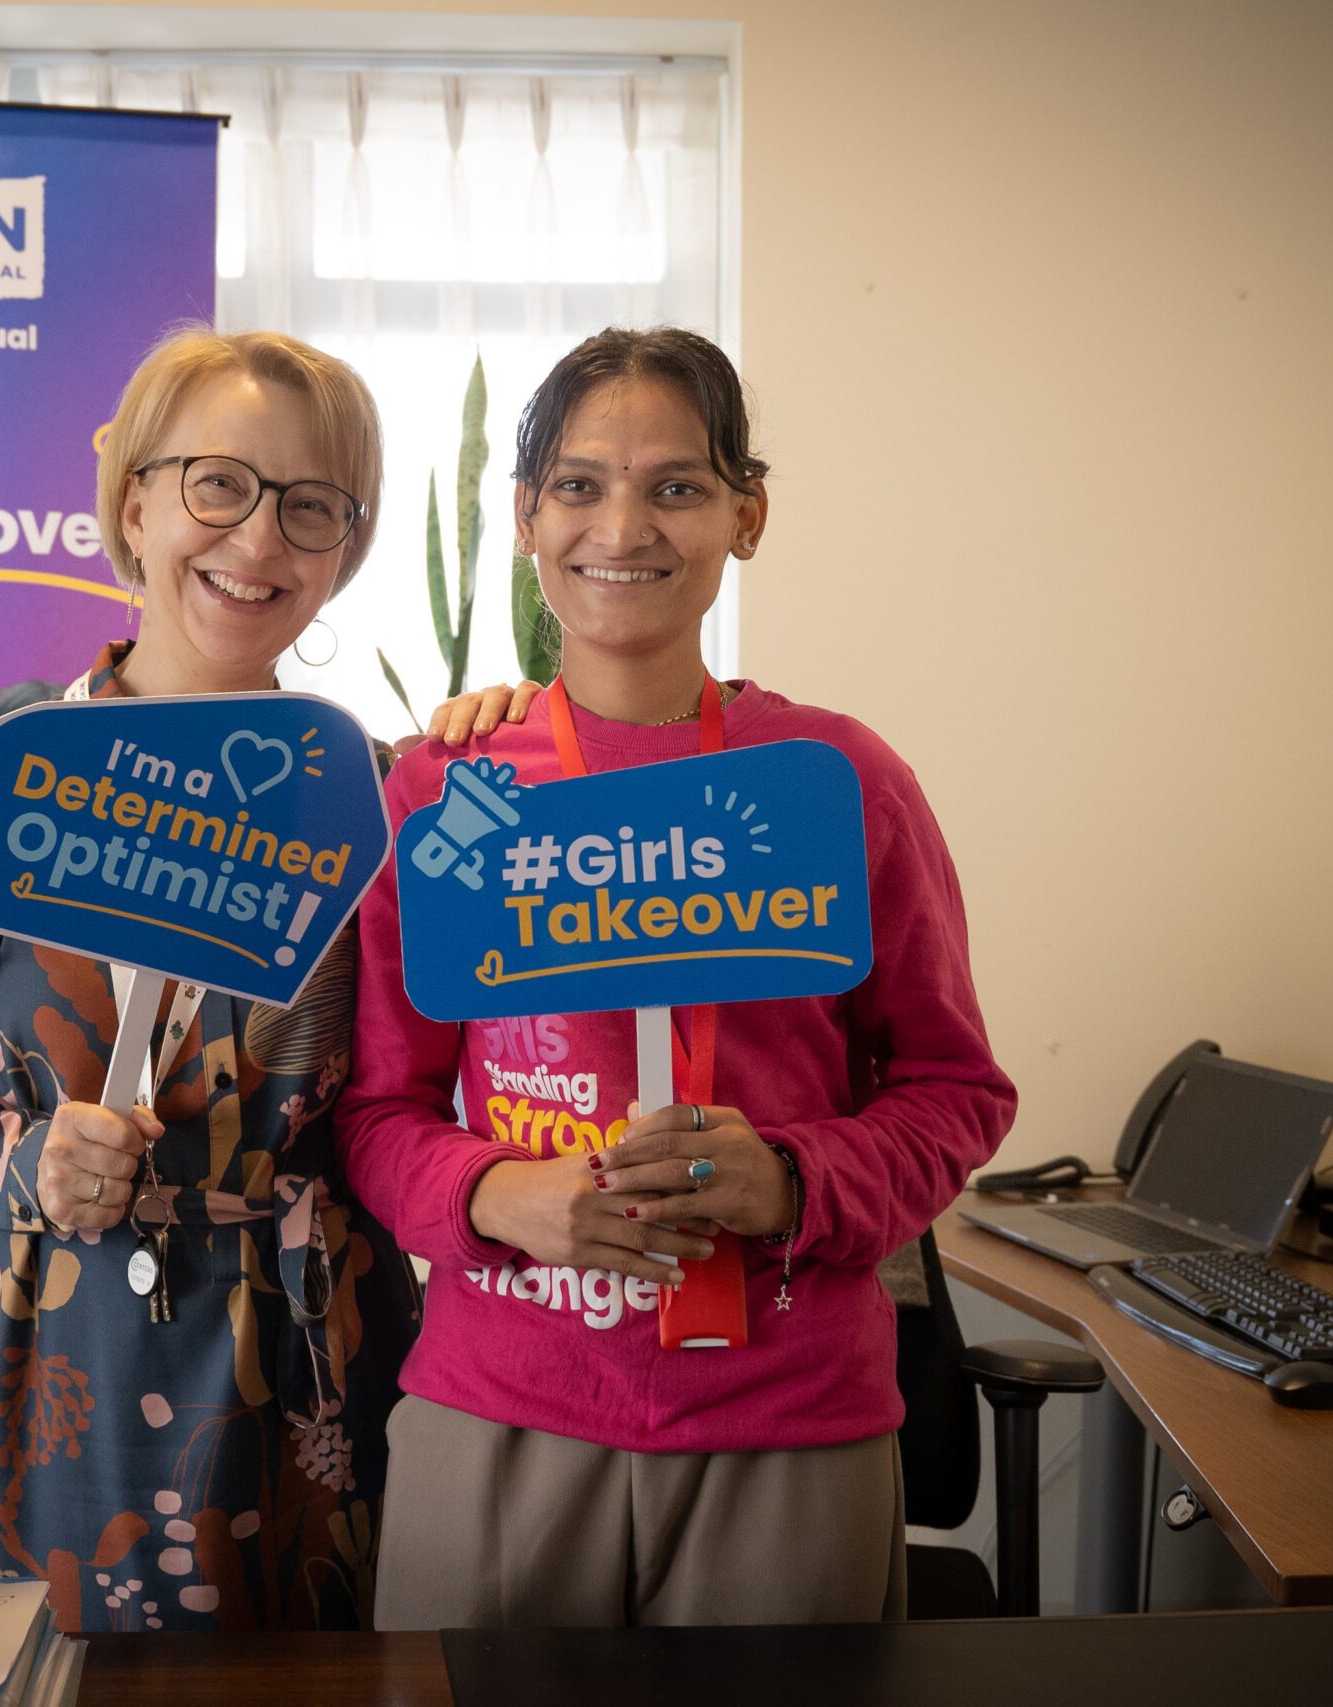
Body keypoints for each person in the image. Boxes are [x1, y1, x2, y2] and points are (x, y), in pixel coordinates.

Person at [0, 327, 533, 1633]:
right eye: (219, 484)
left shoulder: (388, 803)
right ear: (136, 499)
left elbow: (489, 1060)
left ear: (344, 545)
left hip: (317, 1369)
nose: (260, 540)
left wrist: (525, 754)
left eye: (312, 504)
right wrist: (23, 1157)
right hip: (55, 1357)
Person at [338, 327, 1017, 1627]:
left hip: (788, 1422)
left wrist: (798, 1177)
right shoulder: (457, 790)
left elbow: (955, 1088)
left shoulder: (836, 783)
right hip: (503, 1410)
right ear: (526, 515)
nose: (624, 524)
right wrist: (499, 1194)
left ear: (745, 514)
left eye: (678, 485)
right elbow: (375, 1113)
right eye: (581, 484)